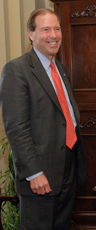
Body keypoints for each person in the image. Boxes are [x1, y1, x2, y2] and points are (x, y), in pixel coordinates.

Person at [0, 8, 87, 230]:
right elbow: (16, 128)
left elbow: (63, 116)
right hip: (40, 174)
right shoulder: (16, 70)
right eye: (45, 29)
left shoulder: (61, 69)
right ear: (31, 34)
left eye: (57, 28)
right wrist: (34, 173)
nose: (54, 35)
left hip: (67, 167)